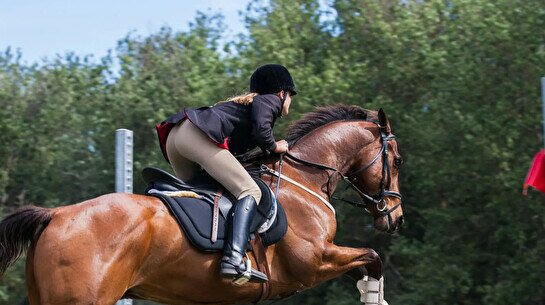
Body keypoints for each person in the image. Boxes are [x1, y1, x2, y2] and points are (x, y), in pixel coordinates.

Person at [155, 64, 296, 283]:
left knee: (205, 194)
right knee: (250, 190)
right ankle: (233, 258)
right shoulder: (269, 100)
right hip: (196, 137)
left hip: (176, 138)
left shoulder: (241, 106)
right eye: (290, 96)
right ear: (282, 93)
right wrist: (274, 146)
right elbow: (262, 130)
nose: (290, 101)